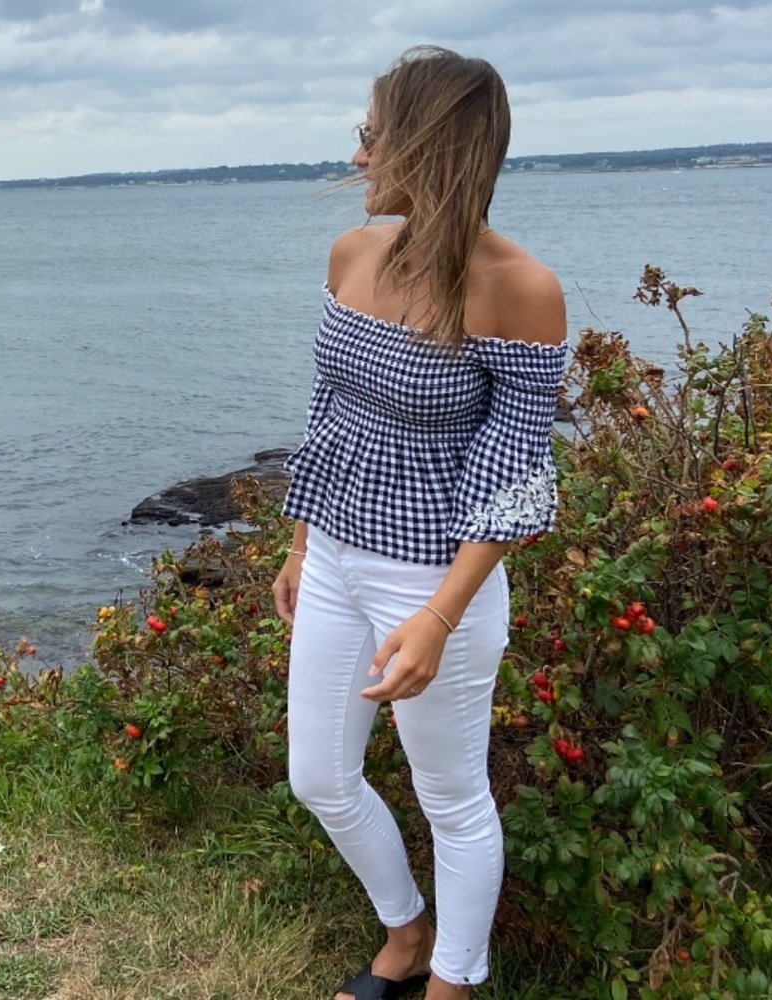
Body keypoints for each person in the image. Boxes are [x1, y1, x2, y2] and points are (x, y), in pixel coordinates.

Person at [272, 45, 568, 1000]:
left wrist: (440, 616)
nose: (358, 158)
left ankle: (452, 981)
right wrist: (301, 539)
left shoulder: (518, 289)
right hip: (336, 561)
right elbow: (329, 410)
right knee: (318, 775)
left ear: (424, 146)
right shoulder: (352, 255)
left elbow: (513, 472)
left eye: (370, 136)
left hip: (436, 580)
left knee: (452, 797)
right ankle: (405, 931)